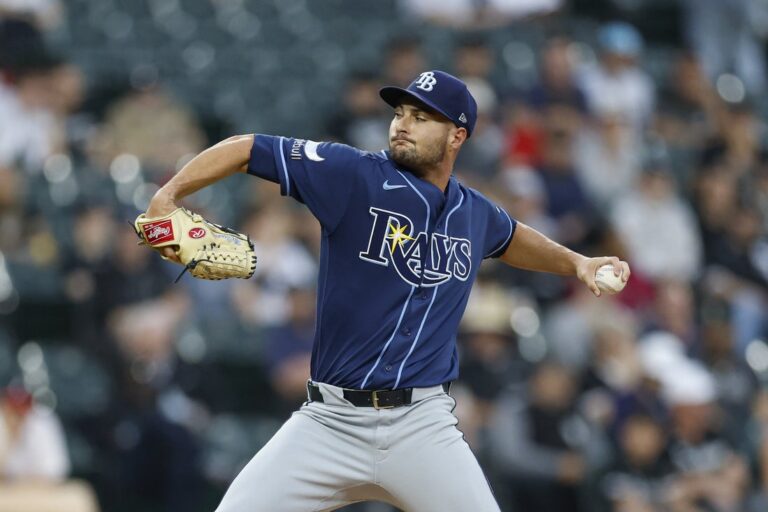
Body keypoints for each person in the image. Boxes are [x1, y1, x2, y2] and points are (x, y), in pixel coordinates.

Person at [143, 70, 630, 511]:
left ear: (457, 135)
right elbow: (249, 147)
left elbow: (511, 237)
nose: (402, 124)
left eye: (421, 117)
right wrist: (169, 196)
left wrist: (579, 263)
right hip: (329, 422)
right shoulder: (352, 174)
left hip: (422, 426)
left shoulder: (473, 211)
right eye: (400, 112)